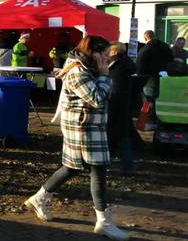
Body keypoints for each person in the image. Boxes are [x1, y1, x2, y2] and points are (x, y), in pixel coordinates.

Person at [24, 36, 129, 240]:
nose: (108, 59)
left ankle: (39, 198)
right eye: (105, 55)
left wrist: (102, 74)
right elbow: (98, 99)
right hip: (83, 128)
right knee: (98, 170)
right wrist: (106, 75)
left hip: (88, 126)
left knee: (71, 167)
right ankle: (104, 222)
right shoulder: (77, 71)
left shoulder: (87, 68)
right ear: (94, 52)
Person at [107, 42, 137, 174]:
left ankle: (125, 166)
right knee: (123, 136)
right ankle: (126, 165)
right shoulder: (127, 63)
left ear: (114, 52)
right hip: (124, 105)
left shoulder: (116, 66)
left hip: (115, 104)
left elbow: (114, 89)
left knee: (113, 135)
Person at [136, 30, 173, 129]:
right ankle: (161, 122)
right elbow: (171, 60)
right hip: (164, 78)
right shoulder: (165, 47)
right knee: (161, 100)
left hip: (149, 79)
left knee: (148, 102)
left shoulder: (145, 49)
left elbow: (140, 65)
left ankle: (147, 122)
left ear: (145, 38)